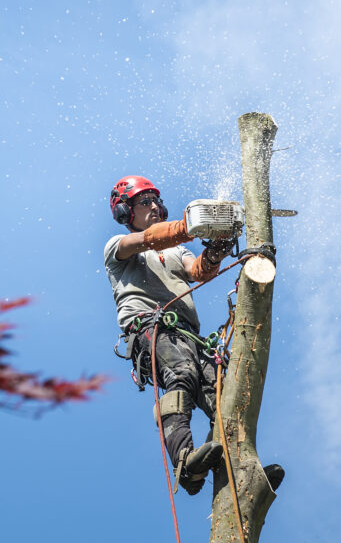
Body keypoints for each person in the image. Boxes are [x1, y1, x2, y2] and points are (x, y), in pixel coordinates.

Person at [104, 175, 234, 494]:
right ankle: (185, 464)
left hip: (190, 334)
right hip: (151, 325)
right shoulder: (117, 248)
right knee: (182, 375)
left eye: (156, 201)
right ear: (125, 212)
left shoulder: (176, 251)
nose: (154, 207)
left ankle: (241, 469)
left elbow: (198, 271)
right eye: (144, 202)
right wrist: (190, 226)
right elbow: (147, 240)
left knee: (222, 393)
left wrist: (216, 247)